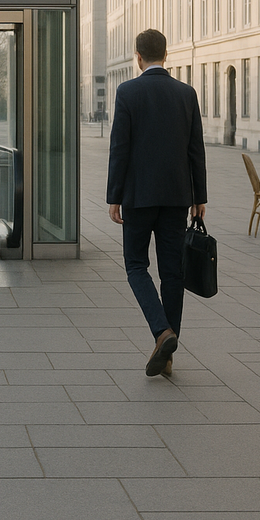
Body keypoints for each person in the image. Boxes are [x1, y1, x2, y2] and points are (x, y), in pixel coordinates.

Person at [106, 29, 207, 378]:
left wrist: (114, 196)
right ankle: (167, 353)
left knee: (135, 265)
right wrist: (200, 197)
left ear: (138, 56)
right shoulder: (186, 93)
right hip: (177, 197)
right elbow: (196, 148)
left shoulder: (128, 91)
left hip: (138, 196)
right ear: (167, 55)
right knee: (172, 272)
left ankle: (162, 331)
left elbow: (120, 147)